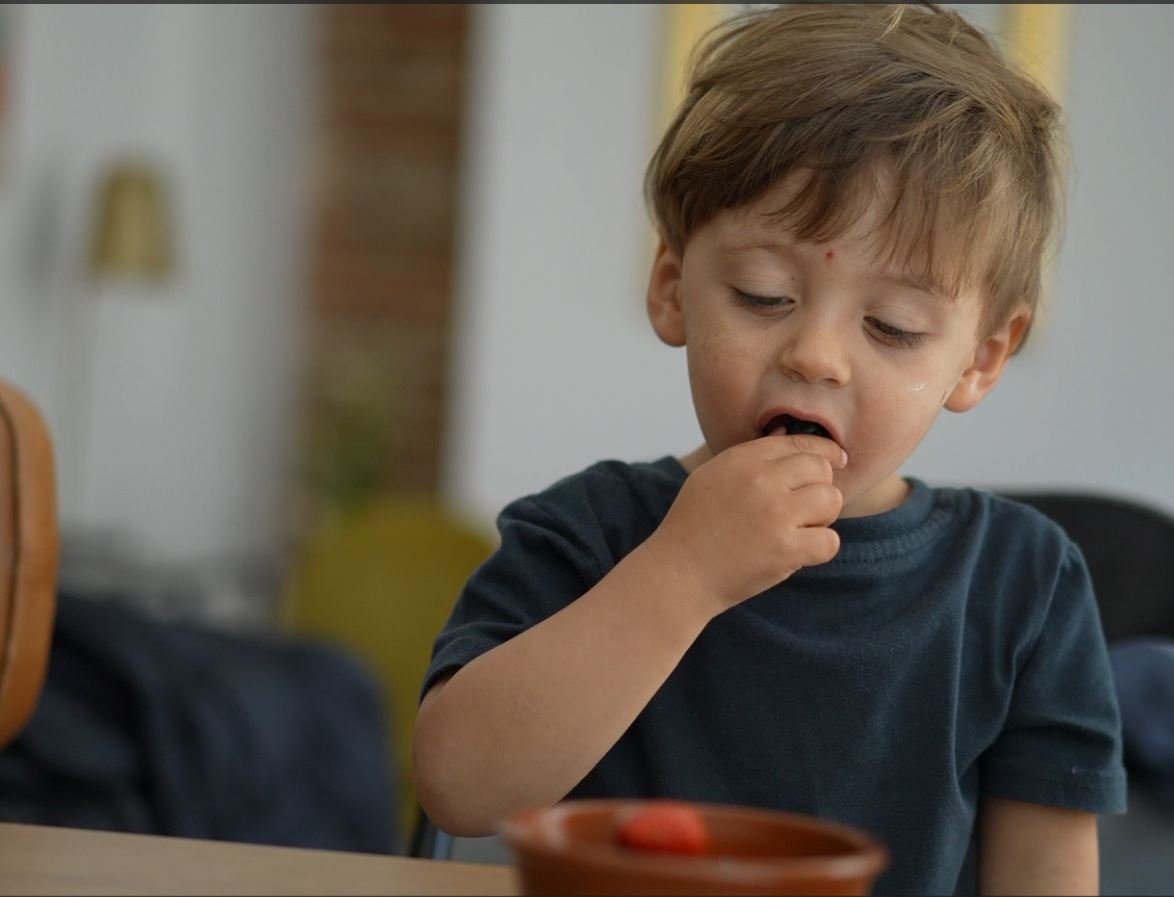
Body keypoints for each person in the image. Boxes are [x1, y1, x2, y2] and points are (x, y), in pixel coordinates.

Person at [413, 5, 1124, 894]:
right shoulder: (590, 532)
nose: (817, 355)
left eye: (892, 326)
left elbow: (1046, 873)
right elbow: (457, 788)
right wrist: (681, 573)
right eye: (762, 295)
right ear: (674, 289)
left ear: (980, 359)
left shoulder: (1024, 584)